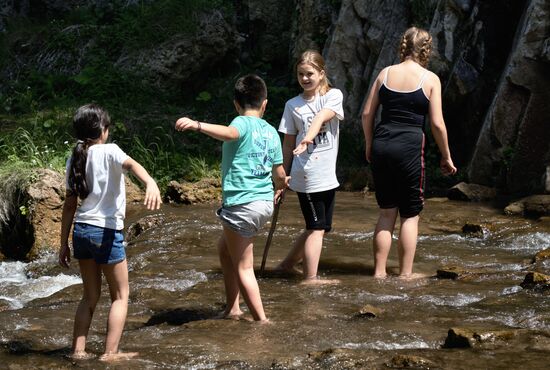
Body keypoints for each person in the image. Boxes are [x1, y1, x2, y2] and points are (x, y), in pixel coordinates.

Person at [174, 74, 288, 322]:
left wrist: (197, 125)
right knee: (225, 250)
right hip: (264, 203)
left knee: (244, 267)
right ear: (265, 104)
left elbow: (229, 133)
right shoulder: (271, 132)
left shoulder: (241, 123)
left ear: (236, 104)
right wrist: (280, 186)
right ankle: (232, 307)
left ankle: (262, 321)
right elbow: (279, 174)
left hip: (241, 205)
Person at [59, 104, 162, 361]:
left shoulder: (75, 157)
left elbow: (70, 204)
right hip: (105, 232)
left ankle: (78, 351)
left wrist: (63, 244)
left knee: (89, 296)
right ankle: (110, 353)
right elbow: (134, 166)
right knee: (120, 296)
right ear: (103, 130)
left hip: (81, 231)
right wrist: (150, 182)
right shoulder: (111, 150)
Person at [361, 27, 457, 279]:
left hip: (382, 143)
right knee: (410, 216)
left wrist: (369, 143)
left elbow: (367, 114)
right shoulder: (430, 79)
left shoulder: (385, 73)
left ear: (403, 46)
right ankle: (405, 274)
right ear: (427, 50)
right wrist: (446, 156)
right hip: (409, 147)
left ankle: (379, 273)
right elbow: (437, 123)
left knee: (385, 213)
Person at [276, 50, 344, 284]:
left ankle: (286, 265)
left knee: (320, 227)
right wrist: (282, 176)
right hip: (305, 173)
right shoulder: (292, 105)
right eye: (300, 74)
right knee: (316, 227)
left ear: (321, 73)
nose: (305, 78)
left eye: (309, 74)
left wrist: (309, 138)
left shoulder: (332, 96)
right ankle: (310, 278)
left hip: (326, 173)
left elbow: (323, 116)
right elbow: (287, 143)